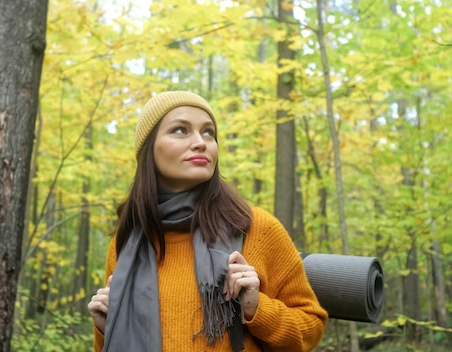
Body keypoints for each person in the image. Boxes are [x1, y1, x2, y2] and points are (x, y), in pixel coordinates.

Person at [87, 91, 328, 352]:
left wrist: (255, 307)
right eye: (180, 130)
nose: (201, 143)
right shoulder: (126, 244)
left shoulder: (255, 227)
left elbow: (310, 328)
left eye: (208, 132)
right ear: (149, 148)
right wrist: (105, 327)